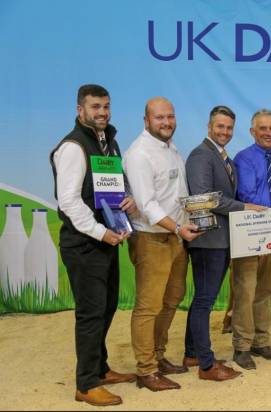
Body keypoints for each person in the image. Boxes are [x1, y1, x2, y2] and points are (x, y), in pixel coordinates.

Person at [50, 84, 137, 406]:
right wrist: (100, 232)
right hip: (84, 243)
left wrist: (127, 198)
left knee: (107, 306)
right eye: (95, 107)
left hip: (107, 239)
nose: (102, 112)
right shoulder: (73, 147)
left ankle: (100, 368)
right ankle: (85, 384)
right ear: (80, 110)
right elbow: (69, 202)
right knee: (90, 314)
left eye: (106, 106)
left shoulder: (108, 142)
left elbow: (114, 183)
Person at [123, 97, 203, 391]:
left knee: (171, 300)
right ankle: (146, 371)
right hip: (151, 238)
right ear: (146, 120)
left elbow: (177, 194)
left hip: (175, 237)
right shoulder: (139, 153)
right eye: (159, 118)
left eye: (170, 116)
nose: (166, 122)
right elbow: (146, 204)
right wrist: (179, 228)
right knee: (148, 306)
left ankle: (157, 357)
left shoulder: (171, 149)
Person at [182, 105, 265, 381]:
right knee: (205, 302)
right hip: (208, 241)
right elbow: (205, 196)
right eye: (220, 126)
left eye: (229, 128)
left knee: (202, 300)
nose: (225, 132)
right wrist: (244, 207)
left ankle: (192, 353)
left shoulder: (221, 156)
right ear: (209, 127)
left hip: (221, 240)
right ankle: (206, 365)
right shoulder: (200, 156)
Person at [231, 109, 271, 370]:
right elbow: (244, 194)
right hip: (248, 231)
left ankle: (261, 341)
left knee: (265, 289)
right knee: (245, 289)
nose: (268, 133)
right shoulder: (243, 159)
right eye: (263, 128)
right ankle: (242, 346)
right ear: (252, 131)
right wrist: (266, 217)